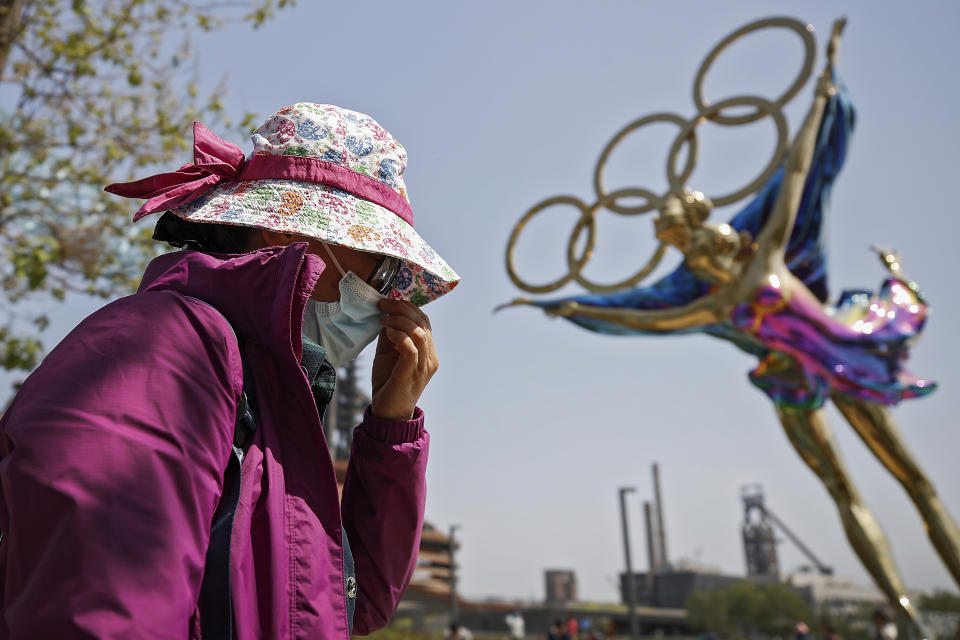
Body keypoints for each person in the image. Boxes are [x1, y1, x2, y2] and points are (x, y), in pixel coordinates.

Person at [0, 103, 459, 638]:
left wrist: (391, 423)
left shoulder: (266, 392)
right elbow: (97, 613)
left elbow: (351, 603)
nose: (385, 295)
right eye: (380, 264)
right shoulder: (166, 350)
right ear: (290, 236)